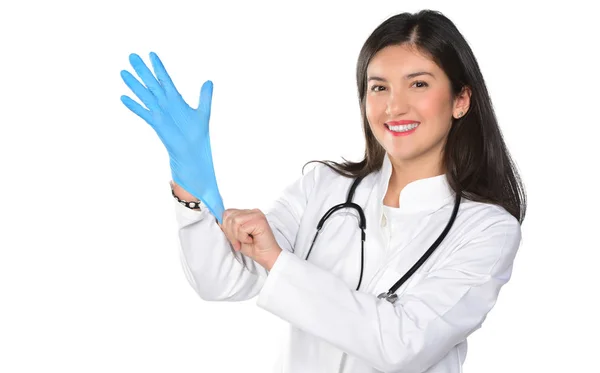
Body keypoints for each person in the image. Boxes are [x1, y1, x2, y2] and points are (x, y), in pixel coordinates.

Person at [120, 9, 527, 373]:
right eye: (379, 87)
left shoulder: (487, 230)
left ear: (461, 99)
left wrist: (279, 261)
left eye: (418, 85)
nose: (393, 107)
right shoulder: (324, 188)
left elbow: (403, 344)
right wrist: (191, 190)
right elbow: (221, 280)